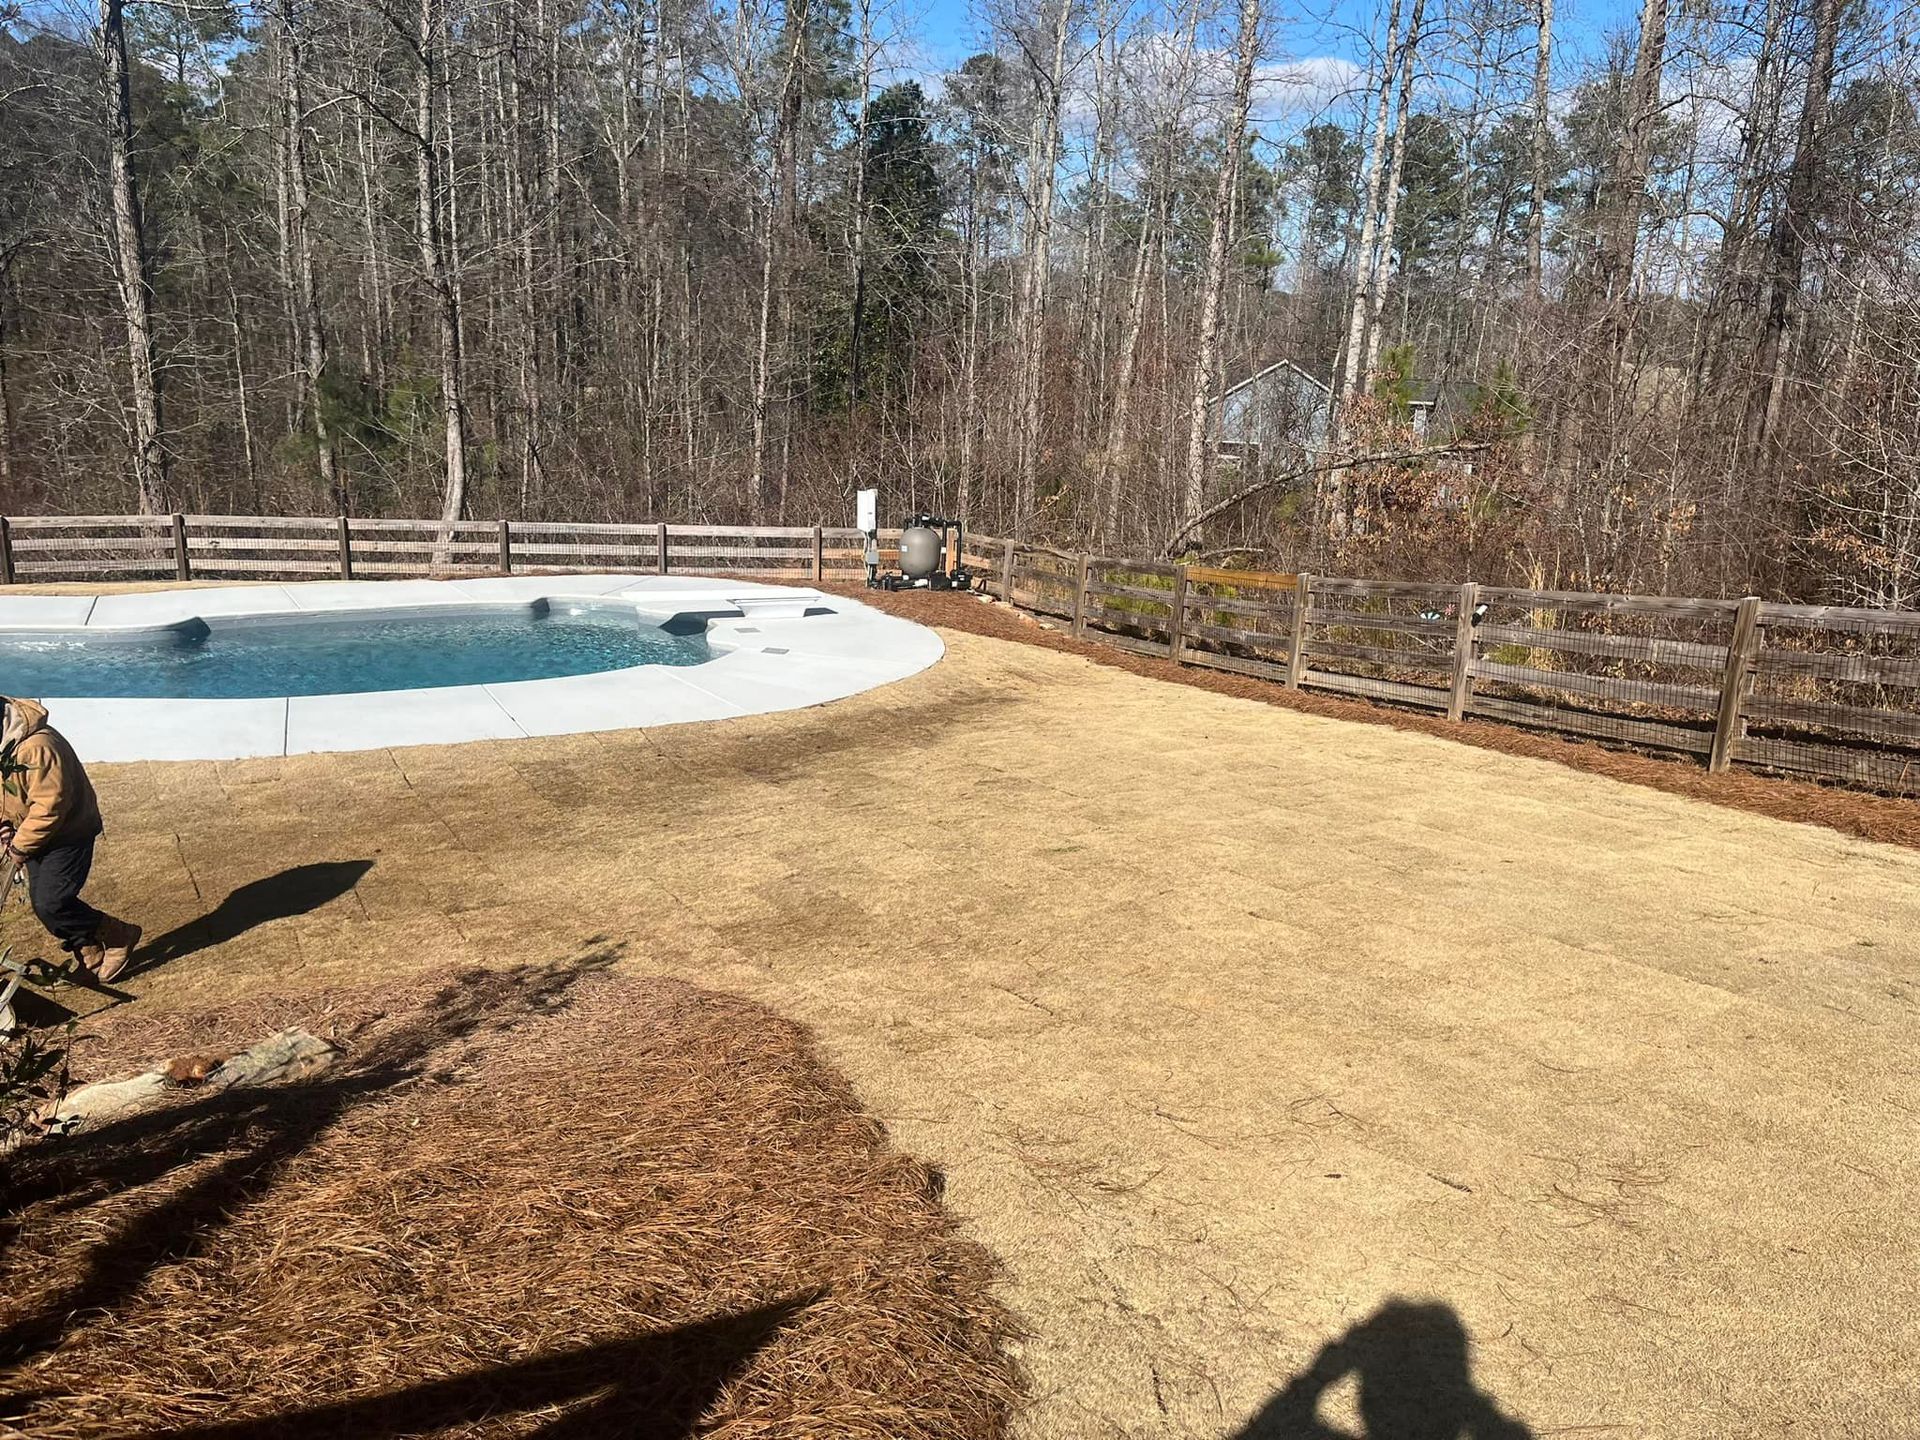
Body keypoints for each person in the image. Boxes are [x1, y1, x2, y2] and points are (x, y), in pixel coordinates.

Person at [0, 696, 140, 984]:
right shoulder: (5, 744)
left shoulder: (37, 747)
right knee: (44, 905)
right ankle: (90, 954)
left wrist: (20, 846)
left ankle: (118, 933)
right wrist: (4, 825)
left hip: (69, 831)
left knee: (53, 901)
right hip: (33, 831)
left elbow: (51, 806)